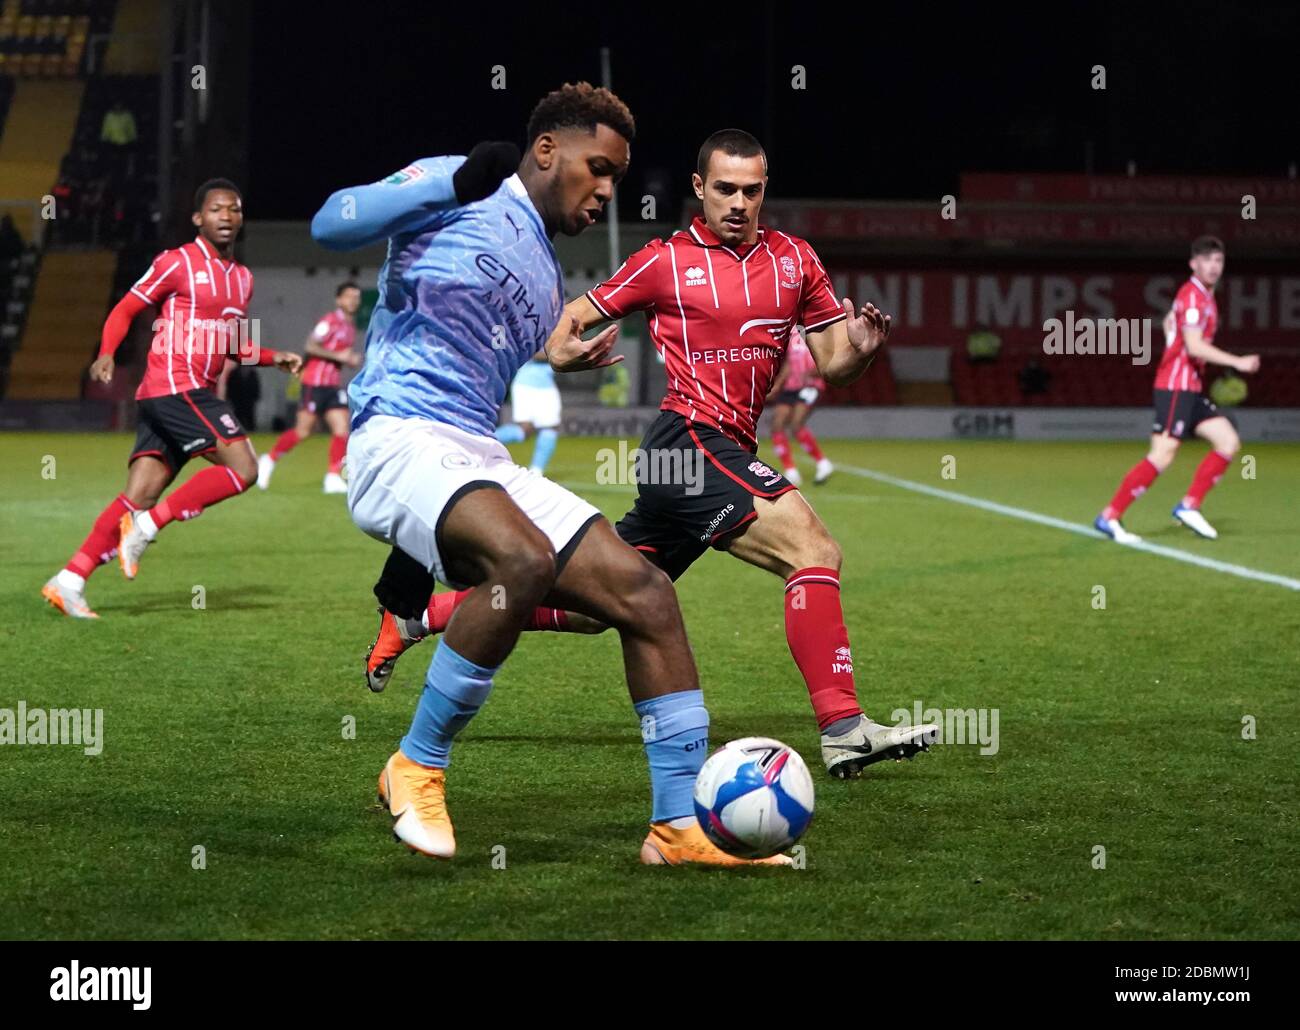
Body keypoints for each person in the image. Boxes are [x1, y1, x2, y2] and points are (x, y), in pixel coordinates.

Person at [366, 129, 938, 780]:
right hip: (687, 442)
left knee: (599, 606)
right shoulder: (664, 261)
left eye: (752, 191)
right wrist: (560, 349)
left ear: (764, 190)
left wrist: (859, 352)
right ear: (699, 188)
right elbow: (567, 318)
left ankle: (422, 616)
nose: (738, 203)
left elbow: (834, 364)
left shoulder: (796, 261)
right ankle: (844, 729)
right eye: (725, 189)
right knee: (813, 549)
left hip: (717, 454)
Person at [312, 84, 786, 867]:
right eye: (597, 168)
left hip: (472, 453)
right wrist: (451, 182)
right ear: (546, 151)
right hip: (395, 436)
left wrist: (552, 350)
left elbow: (491, 350)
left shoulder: (544, 275)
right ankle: (415, 765)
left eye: (618, 178)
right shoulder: (460, 186)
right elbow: (333, 223)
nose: (606, 190)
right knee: (522, 559)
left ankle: (677, 829)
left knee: (646, 594)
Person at [42, 179, 302, 618]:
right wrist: (106, 352)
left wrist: (274, 357)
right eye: (217, 209)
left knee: (139, 493)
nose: (226, 216)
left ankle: (69, 579)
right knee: (244, 468)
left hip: (175, 397)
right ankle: (147, 527)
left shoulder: (243, 279)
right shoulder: (176, 262)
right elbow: (127, 308)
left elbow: (234, 343)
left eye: (234, 210)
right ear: (199, 218)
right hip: (177, 386)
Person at [1095, 236, 1260, 543]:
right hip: (1175, 385)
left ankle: (1189, 506)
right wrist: (1237, 362)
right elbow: (1195, 345)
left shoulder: (1203, 297)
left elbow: (1180, 333)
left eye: (1218, 261)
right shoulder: (1195, 297)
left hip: (1191, 387)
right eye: (1206, 260)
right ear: (1193, 264)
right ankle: (1110, 516)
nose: (1213, 266)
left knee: (1227, 441)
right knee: (1162, 455)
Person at [257, 282, 363, 493]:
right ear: (339, 300)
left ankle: (332, 477)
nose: (353, 300)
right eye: (349, 296)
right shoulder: (329, 321)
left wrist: (349, 359)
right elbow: (310, 346)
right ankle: (268, 460)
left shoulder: (350, 326)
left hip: (333, 386)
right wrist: (339, 356)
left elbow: (339, 354)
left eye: (356, 297)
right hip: (314, 383)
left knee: (342, 429)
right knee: (303, 431)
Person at [768, 325, 832, 486]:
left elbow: (828, 360)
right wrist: (777, 385)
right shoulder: (792, 332)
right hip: (792, 386)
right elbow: (790, 363)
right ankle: (791, 470)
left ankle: (823, 463)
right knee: (777, 424)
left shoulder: (820, 330)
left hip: (811, 385)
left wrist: (815, 371)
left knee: (796, 425)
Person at [494, 351, 562, 474]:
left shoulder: (557, 332)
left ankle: (536, 471)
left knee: (551, 427)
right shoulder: (533, 332)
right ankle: (480, 439)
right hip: (526, 384)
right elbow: (531, 352)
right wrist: (560, 352)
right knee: (525, 429)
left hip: (547, 385)